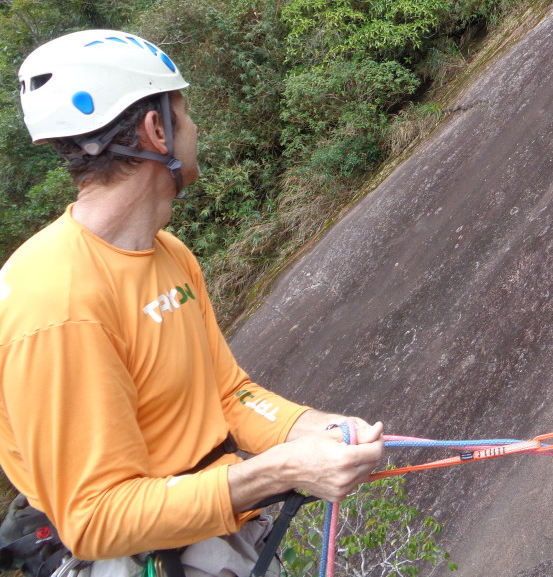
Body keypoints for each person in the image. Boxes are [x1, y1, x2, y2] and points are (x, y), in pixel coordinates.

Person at [0, 30, 385, 576]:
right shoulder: (57, 305)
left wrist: (314, 429)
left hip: (213, 536)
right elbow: (95, 517)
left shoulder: (167, 253)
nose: (196, 128)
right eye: (184, 110)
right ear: (157, 130)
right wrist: (278, 472)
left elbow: (226, 394)